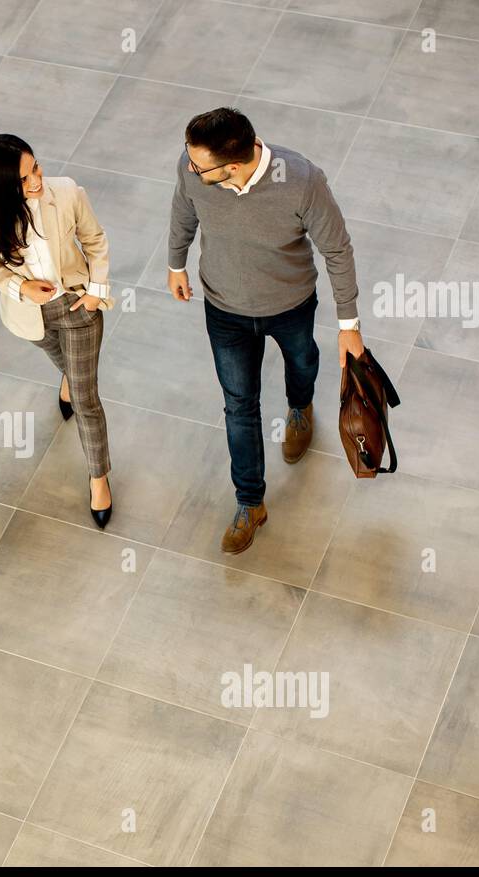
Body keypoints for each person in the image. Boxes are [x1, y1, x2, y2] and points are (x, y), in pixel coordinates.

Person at [167, 107, 365, 554]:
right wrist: (175, 261)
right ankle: (250, 502)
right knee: (239, 405)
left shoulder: (302, 180)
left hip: (290, 305)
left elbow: (337, 249)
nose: (189, 168)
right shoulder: (193, 168)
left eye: (200, 166)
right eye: (190, 159)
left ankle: (301, 406)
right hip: (224, 309)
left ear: (232, 165)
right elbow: (184, 208)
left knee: (303, 362)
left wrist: (348, 325)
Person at [0, 134, 115, 528]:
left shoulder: (65, 193)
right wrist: (20, 288)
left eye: (36, 168)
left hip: (77, 306)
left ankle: (98, 477)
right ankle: (68, 376)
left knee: (85, 398)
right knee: (62, 360)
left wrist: (97, 292)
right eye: (24, 179)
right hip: (29, 316)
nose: (36, 181)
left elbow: (95, 241)